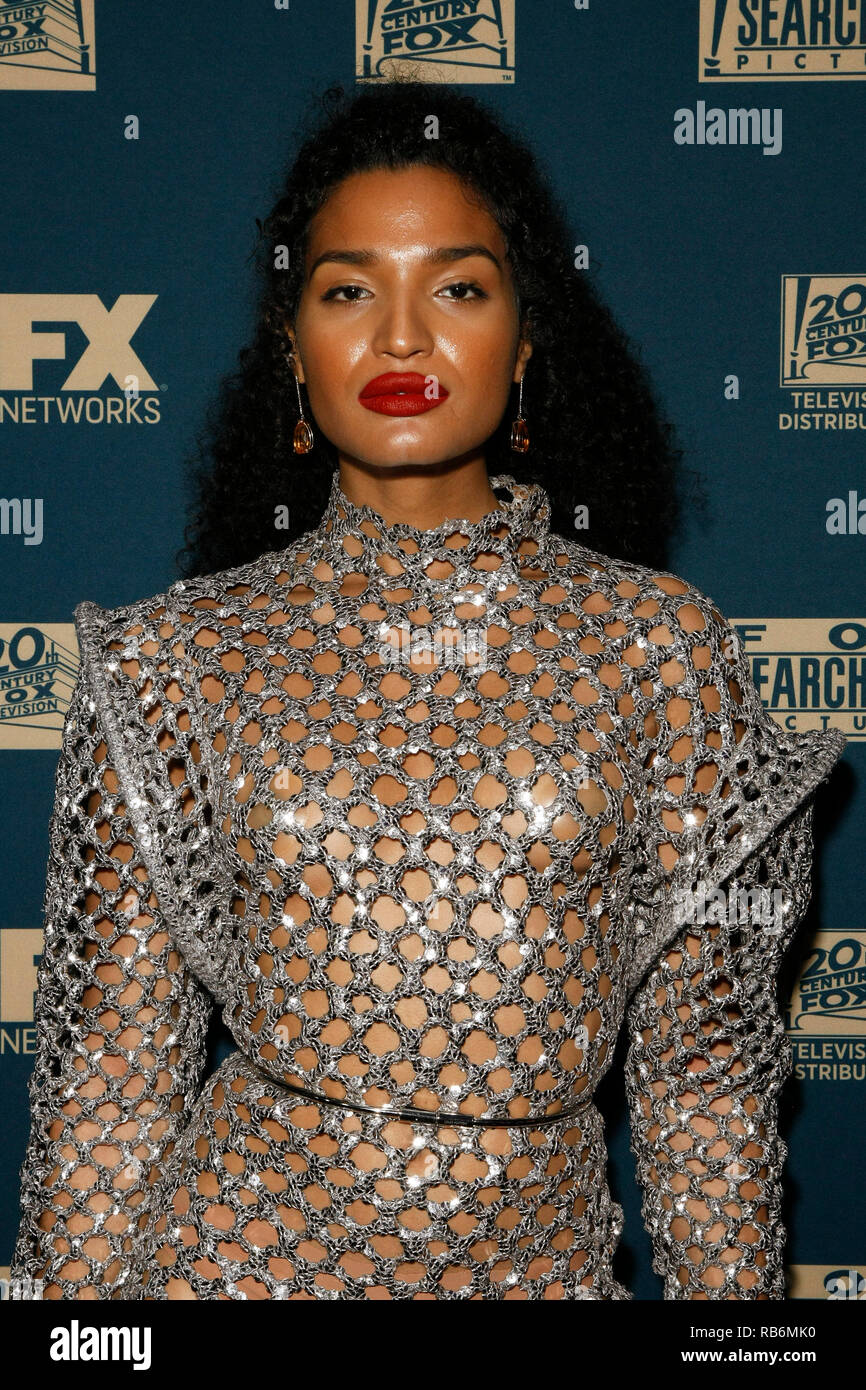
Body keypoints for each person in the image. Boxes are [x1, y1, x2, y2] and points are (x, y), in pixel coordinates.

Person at [10, 77, 846, 1301]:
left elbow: (702, 1083)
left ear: (526, 333)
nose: (401, 337)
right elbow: (109, 1082)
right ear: (291, 344)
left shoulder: (658, 652)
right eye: (348, 290)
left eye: (456, 286)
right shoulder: (170, 661)